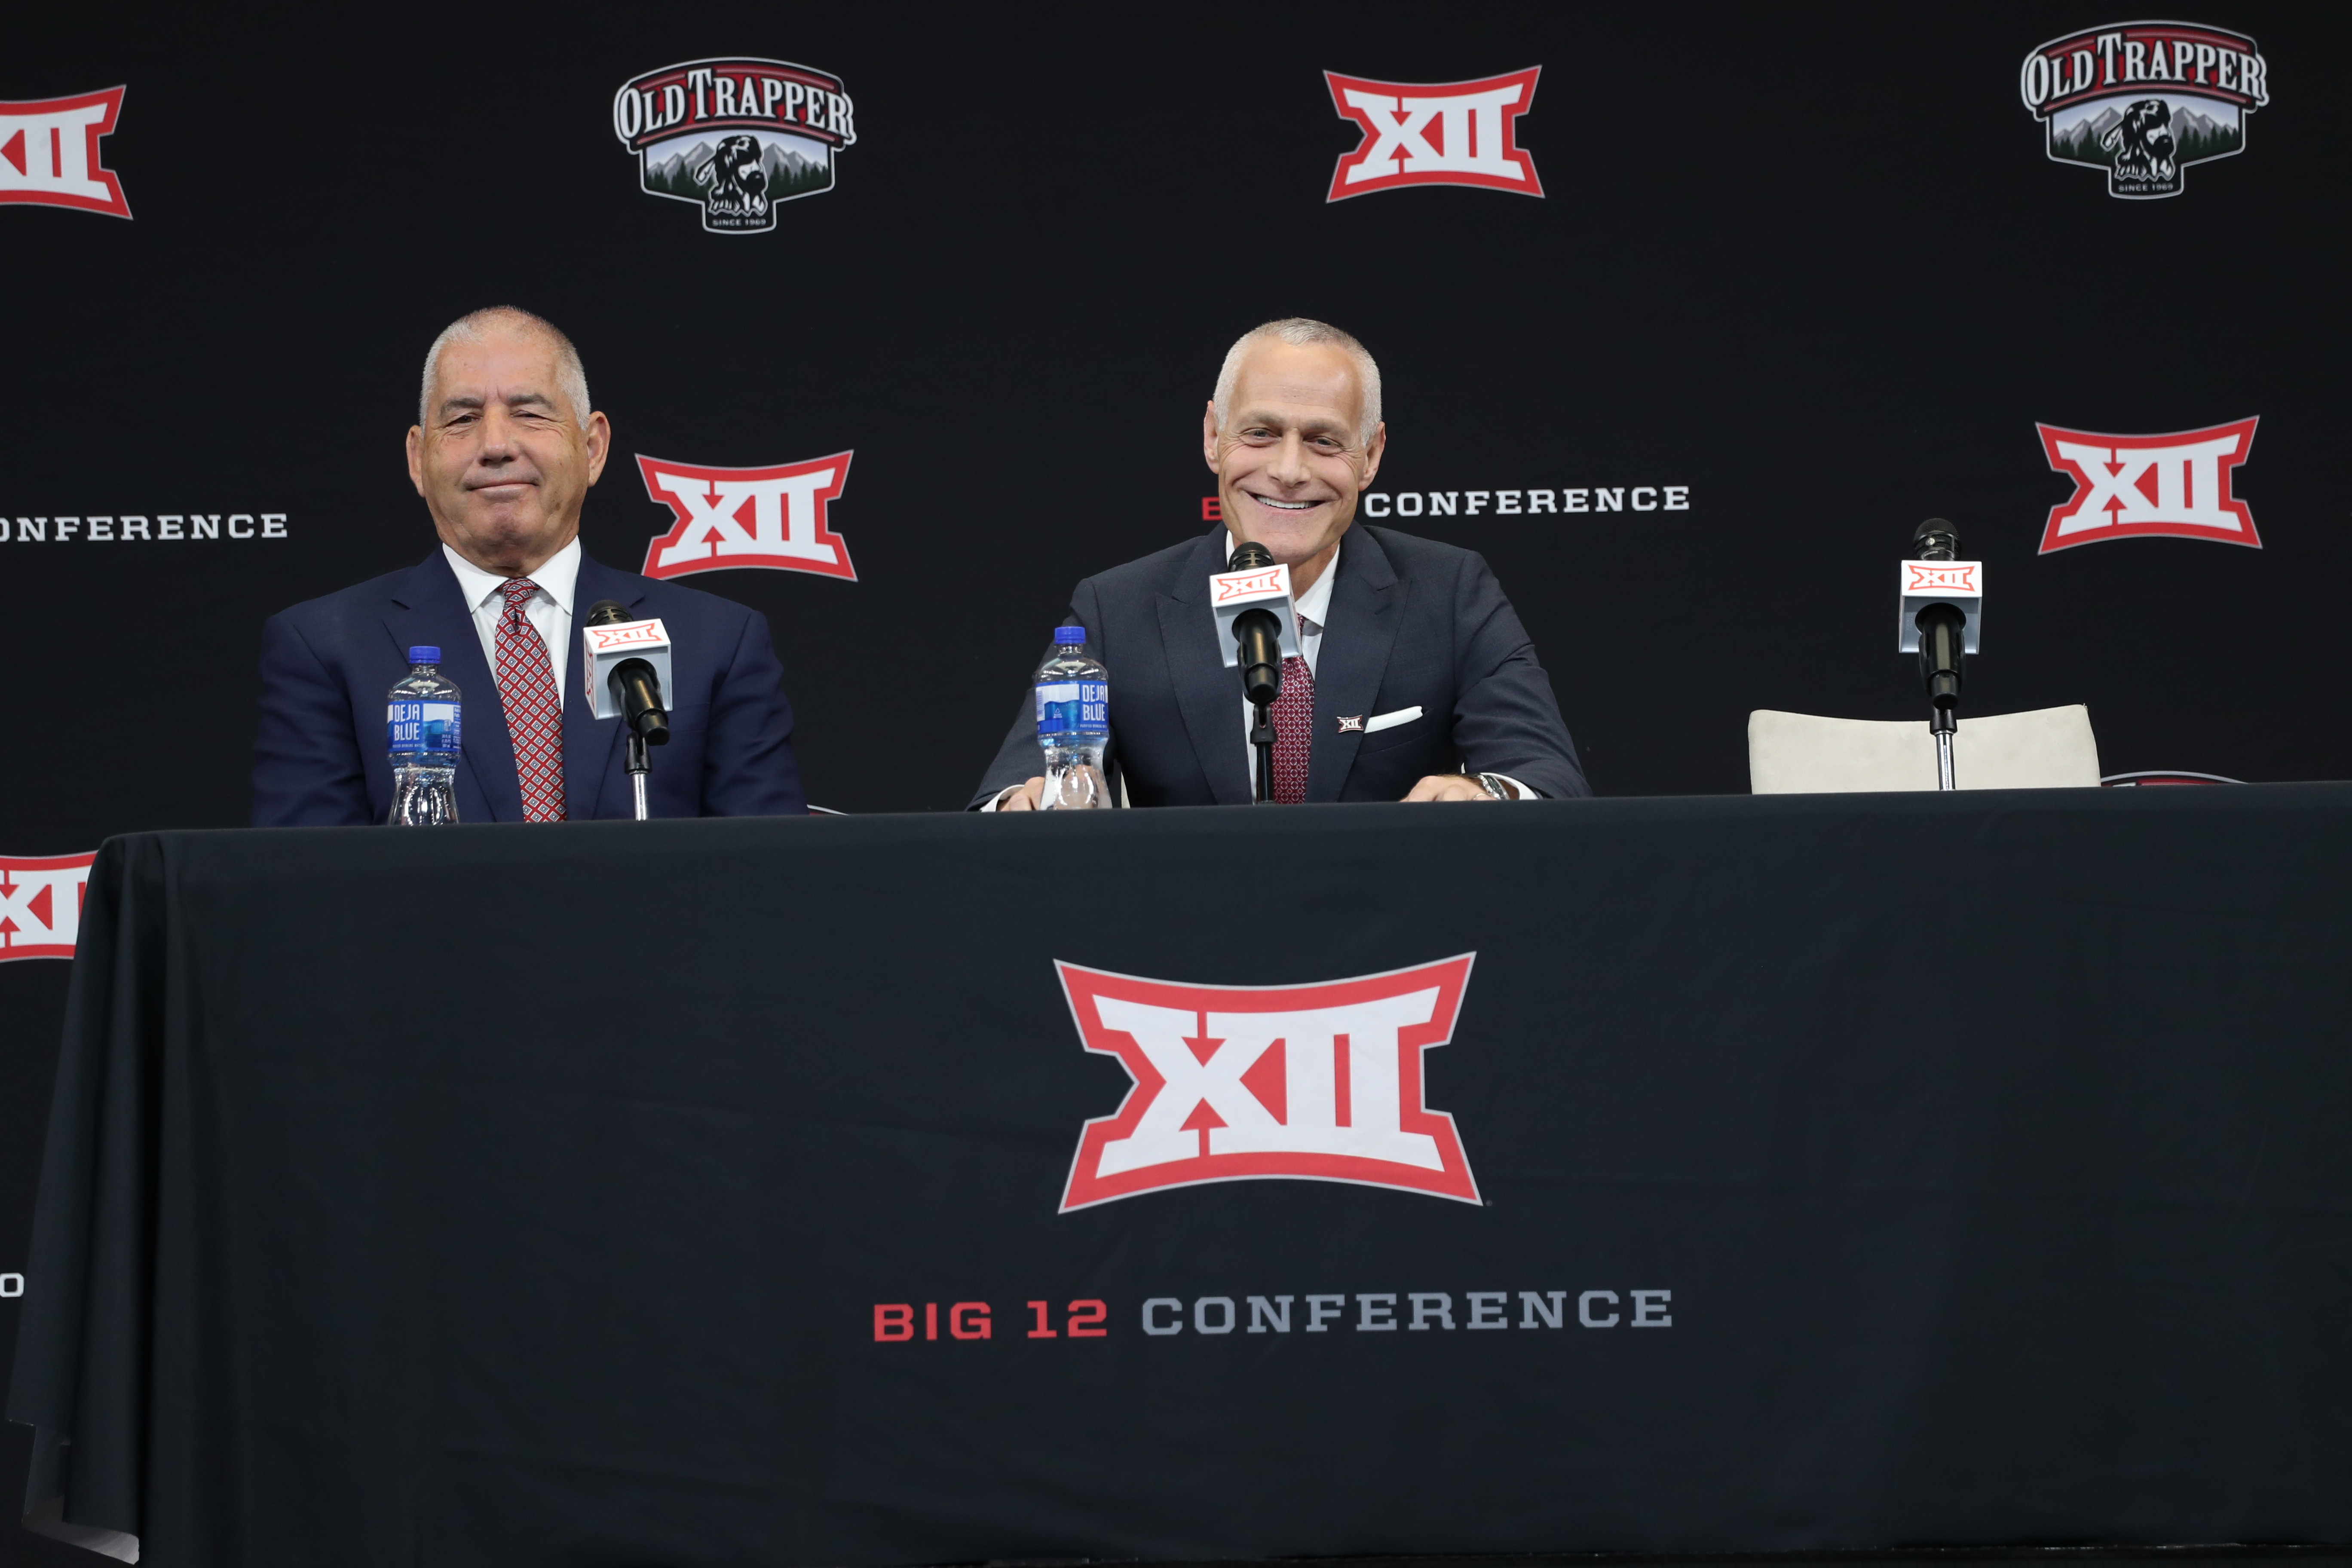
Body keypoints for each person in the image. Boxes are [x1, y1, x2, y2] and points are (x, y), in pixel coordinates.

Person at [971, 318, 1586, 810]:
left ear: (1370, 455)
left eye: (1324, 441)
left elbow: (1547, 776)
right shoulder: (1117, 609)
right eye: (1261, 433)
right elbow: (1014, 791)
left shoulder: (1450, 592)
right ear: (1214, 436)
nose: (1290, 472)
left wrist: (1482, 793)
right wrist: (1028, 806)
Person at [252, 306, 805, 825]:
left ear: (592, 448)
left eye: (529, 413)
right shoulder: (326, 648)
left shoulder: (716, 643)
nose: (495, 444)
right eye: (464, 418)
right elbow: (304, 888)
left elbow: (766, 881)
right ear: (418, 460)